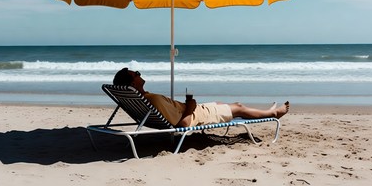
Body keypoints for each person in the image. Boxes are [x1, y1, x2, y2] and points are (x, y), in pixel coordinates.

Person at [113, 68, 289, 128]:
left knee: (223, 104)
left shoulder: (144, 98)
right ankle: (273, 114)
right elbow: (183, 124)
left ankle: (268, 112)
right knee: (238, 107)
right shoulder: (155, 100)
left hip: (191, 110)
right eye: (136, 73)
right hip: (195, 116)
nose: (139, 73)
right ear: (133, 84)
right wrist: (190, 105)